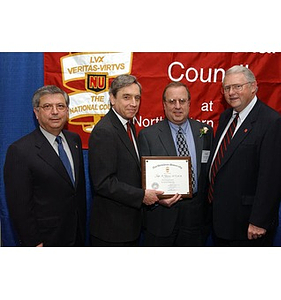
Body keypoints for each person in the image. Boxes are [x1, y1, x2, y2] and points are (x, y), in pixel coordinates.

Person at [208, 65, 281, 246]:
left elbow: (272, 178)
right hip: (221, 220)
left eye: (238, 86)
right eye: (227, 88)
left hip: (248, 224)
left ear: (253, 87)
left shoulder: (271, 122)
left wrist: (259, 221)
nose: (231, 92)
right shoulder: (226, 117)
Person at [4, 85, 87, 246]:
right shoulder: (20, 151)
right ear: (36, 112)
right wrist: (33, 242)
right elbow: (20, 206)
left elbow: (75, 191)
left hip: (77, 234)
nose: (55, 112)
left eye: (60, 106)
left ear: (67, 111)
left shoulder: (74, 140)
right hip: (46, 240)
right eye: (47, 106)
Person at [88, 74, 165, 246]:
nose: (133, 103)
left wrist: (158, 193)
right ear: (112, 98)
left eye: (137, 98)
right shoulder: (105, 131)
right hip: (111, 230)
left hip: (129, 226)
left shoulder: (129, 126)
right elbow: (103, 183)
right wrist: (142, 196)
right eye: (126, 97)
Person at [138, 81, 213, 246]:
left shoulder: (205, 132)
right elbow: (141, 178)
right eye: (172, 101)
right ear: (164, 105)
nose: (177, 106)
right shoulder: (147, 135)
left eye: (182, 101)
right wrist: (158, 199)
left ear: (189, 103)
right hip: (161, 217)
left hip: (196, 218)